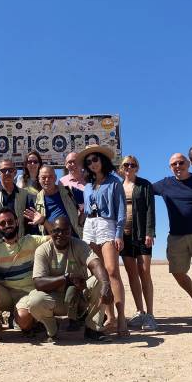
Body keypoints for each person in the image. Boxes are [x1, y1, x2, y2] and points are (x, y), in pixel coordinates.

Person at [28, 216, 114, 342]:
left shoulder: (80, 245)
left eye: (65, 231)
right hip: (56, 299)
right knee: (34, 300)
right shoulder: (43, 250)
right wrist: (65, 278)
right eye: (56, 231)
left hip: (80, 297)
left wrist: (106, 284)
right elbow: (38, 283)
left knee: (99, 281)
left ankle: (93, 329)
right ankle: (52, 329)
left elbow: (95, 264)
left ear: (70, 232)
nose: (60, 234)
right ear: (51, 232)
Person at [154, 153, 192, 324]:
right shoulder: (165, 184)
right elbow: (143, 188)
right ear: (170, 167)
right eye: (174, 164)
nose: (178, 166)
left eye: (181, 163)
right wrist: (123, 174)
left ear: (188, 164)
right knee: (177, 272)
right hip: (176, 235)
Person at [77, 144, 128, 336]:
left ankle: (121, 317)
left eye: (95, 159)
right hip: (90, 226)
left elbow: (121, 210)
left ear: (102, 160)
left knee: (112, 271)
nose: (92, 164)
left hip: (108, 224)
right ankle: (110, 318)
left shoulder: (115, 182)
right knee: (98, 274)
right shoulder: (87, 186)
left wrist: (119, 233)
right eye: (88, 162)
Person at [0, 207, 49, 342]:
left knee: (23, 321)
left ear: (17, 222)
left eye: (10, 221)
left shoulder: (31, 241)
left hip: (27, 293)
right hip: (6, 294)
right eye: (3, 223)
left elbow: (56, 237)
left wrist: (43, 221)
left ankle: (30, 321)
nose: (7, 225)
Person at [117, 155, 157, 330]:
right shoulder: (117, 186)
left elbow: (150, 209)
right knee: (132, 275)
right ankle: (140, 312)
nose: (129, 167)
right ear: (121, 167)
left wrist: (150, 232)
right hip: (124, 236)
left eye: (133, 165)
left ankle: (150, 314)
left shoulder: (144, 185)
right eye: (126, 164)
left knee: (145, 272)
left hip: (142, 235)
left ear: (137, 168)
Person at [0, 158, 36, 247]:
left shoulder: (24, 194)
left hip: (18, 244)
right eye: (4, 170)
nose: (7, 173)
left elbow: (29, 221)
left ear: (15, 172)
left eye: (10, 170)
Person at [24, 165, 81, 238]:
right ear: (39, 179)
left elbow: (90, 199)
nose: (47, 180)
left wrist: (83, 215)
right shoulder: (35, 200)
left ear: (55, 178)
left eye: (50, 177)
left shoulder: (69, 192)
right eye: (43, 178)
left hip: (74, 240)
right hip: (51, 241)